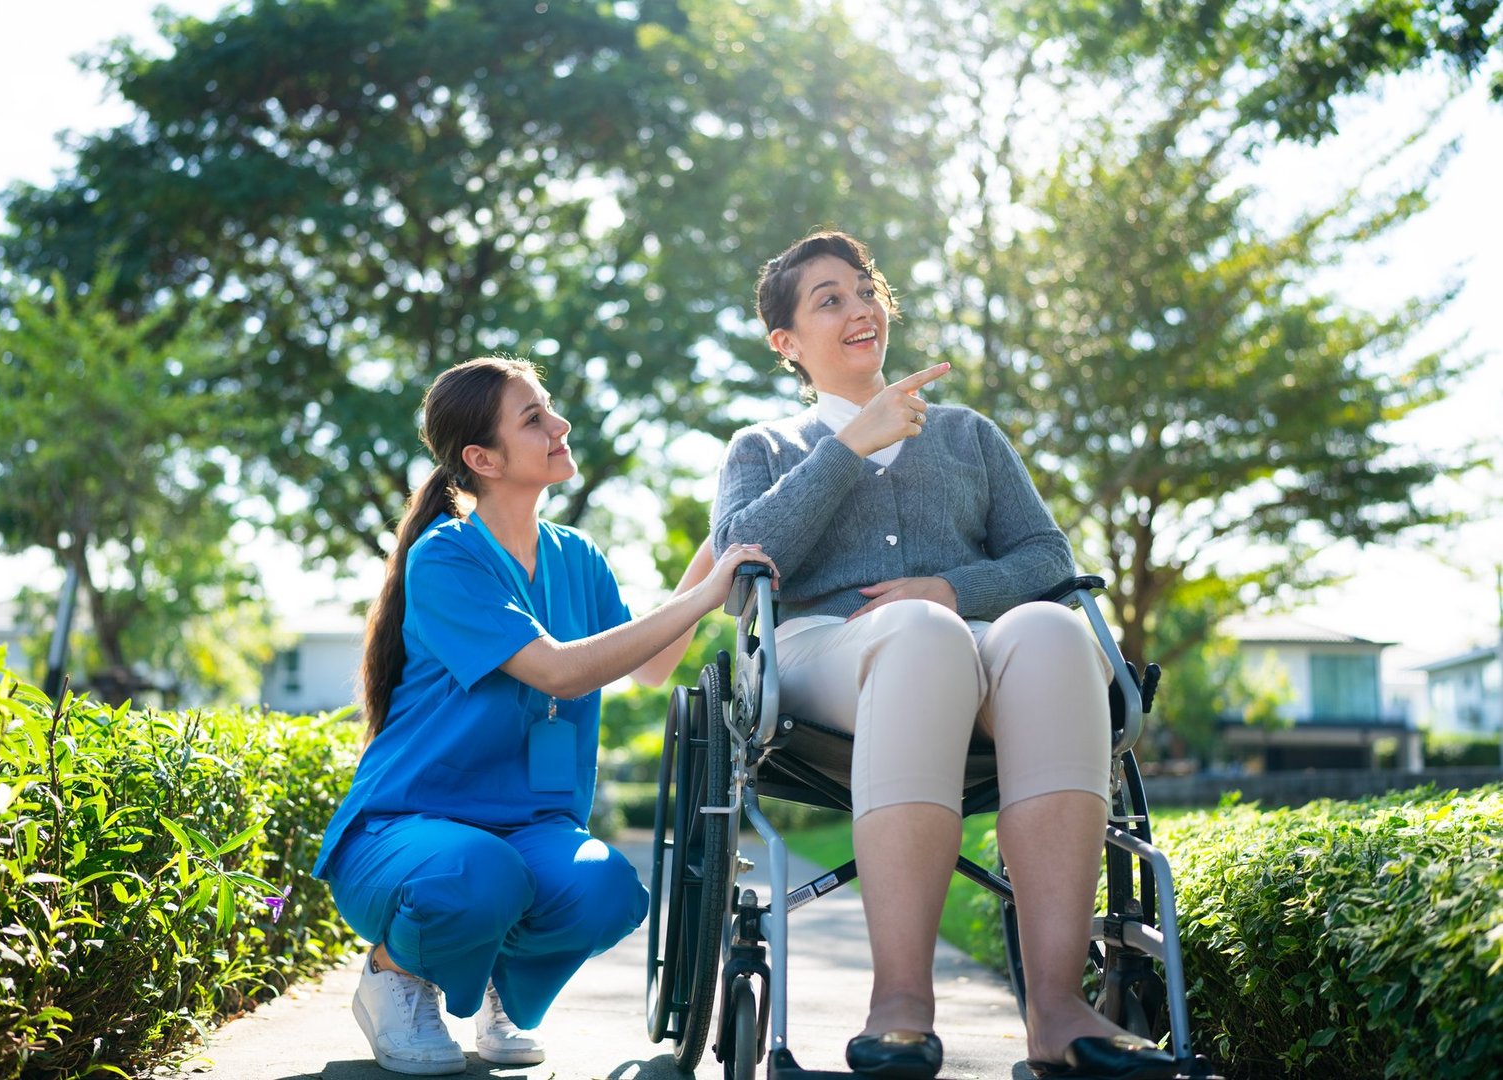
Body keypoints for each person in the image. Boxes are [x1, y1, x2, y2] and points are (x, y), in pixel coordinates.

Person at [711, 232, 1179, 1080]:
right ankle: (901, 1003)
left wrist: (951, 590)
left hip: (969, 638)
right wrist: (847, 448)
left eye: (865, 290)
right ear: (786, 343)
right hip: (822, 656)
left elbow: (1049, 561)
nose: (859, 309)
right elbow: (741, 564)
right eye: (829, 300)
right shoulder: (764, 447)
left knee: (1051, 632)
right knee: (920, 641)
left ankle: (1058, 1011)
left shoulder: (967, 435)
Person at [314, 357, 772, 1076]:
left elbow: (649, 665)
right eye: (534, 419)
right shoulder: (446, 557)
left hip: (528, 832)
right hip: (405, 832)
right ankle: (393, 976)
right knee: (476, 873)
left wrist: (720, 546)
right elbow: (558, 668)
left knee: (607, 890)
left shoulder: (577, 557)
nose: (559, 426)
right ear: (482, 458)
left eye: (548, 409)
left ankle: (498, 982)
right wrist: (704, 596)